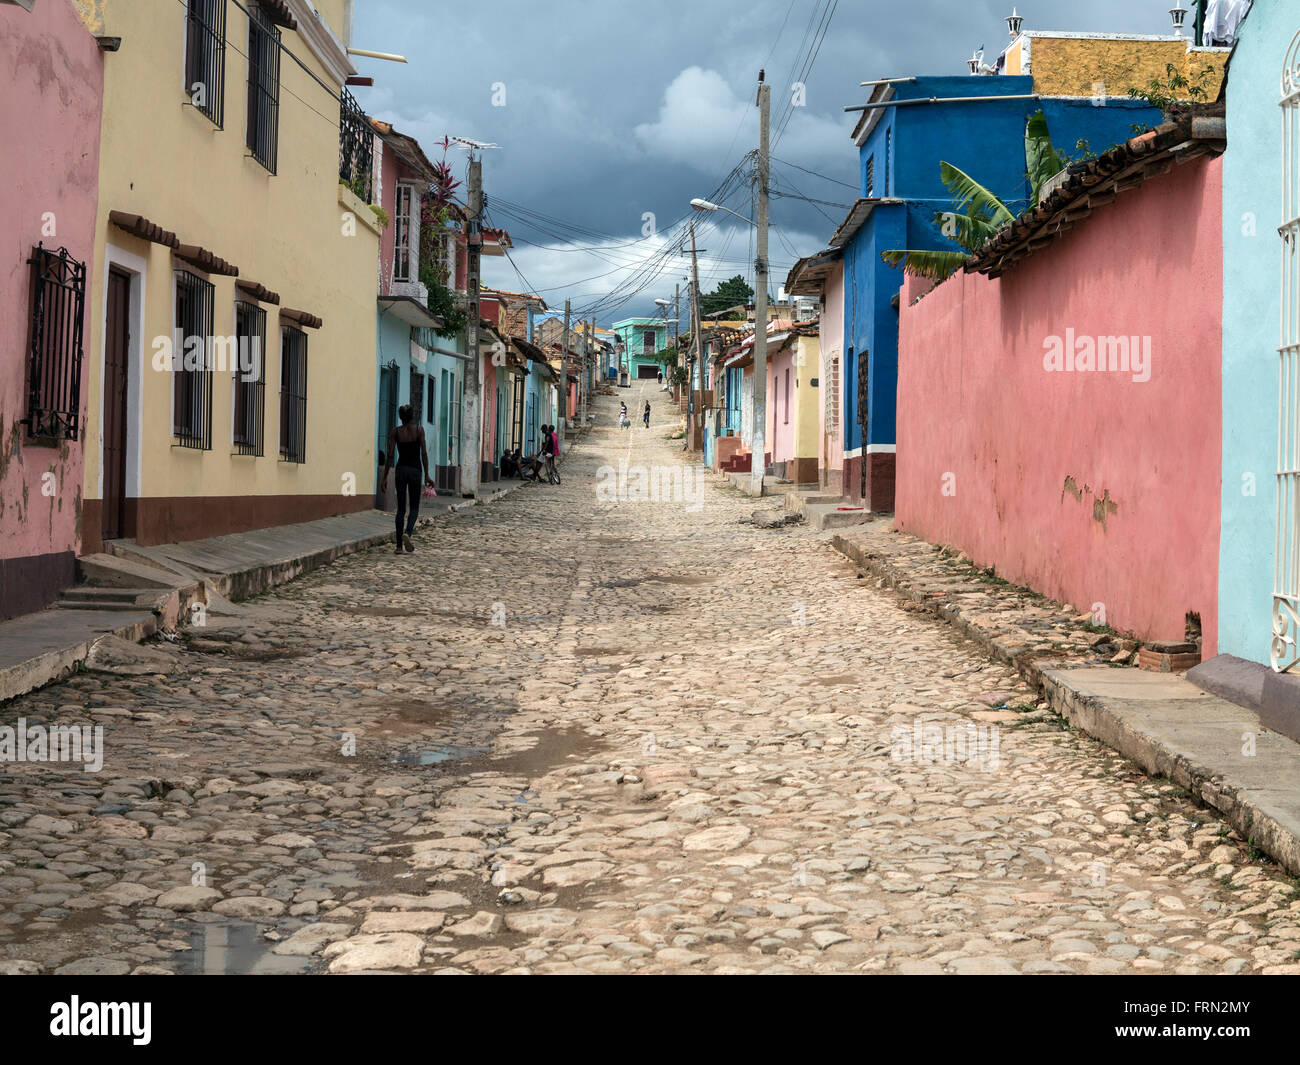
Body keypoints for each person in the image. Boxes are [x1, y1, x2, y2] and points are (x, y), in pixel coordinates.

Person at [380, 404, 434, 554]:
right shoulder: (419, 430)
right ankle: (408, 533)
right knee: (414, 508)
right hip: (415, 471)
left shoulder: (395, 432)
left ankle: (398, 547)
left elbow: (390, 456)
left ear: (400, 417)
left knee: (401, 509)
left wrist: (384, 477)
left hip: (401, 470)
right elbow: (423, 453)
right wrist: (427, 475)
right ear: (412, 416)